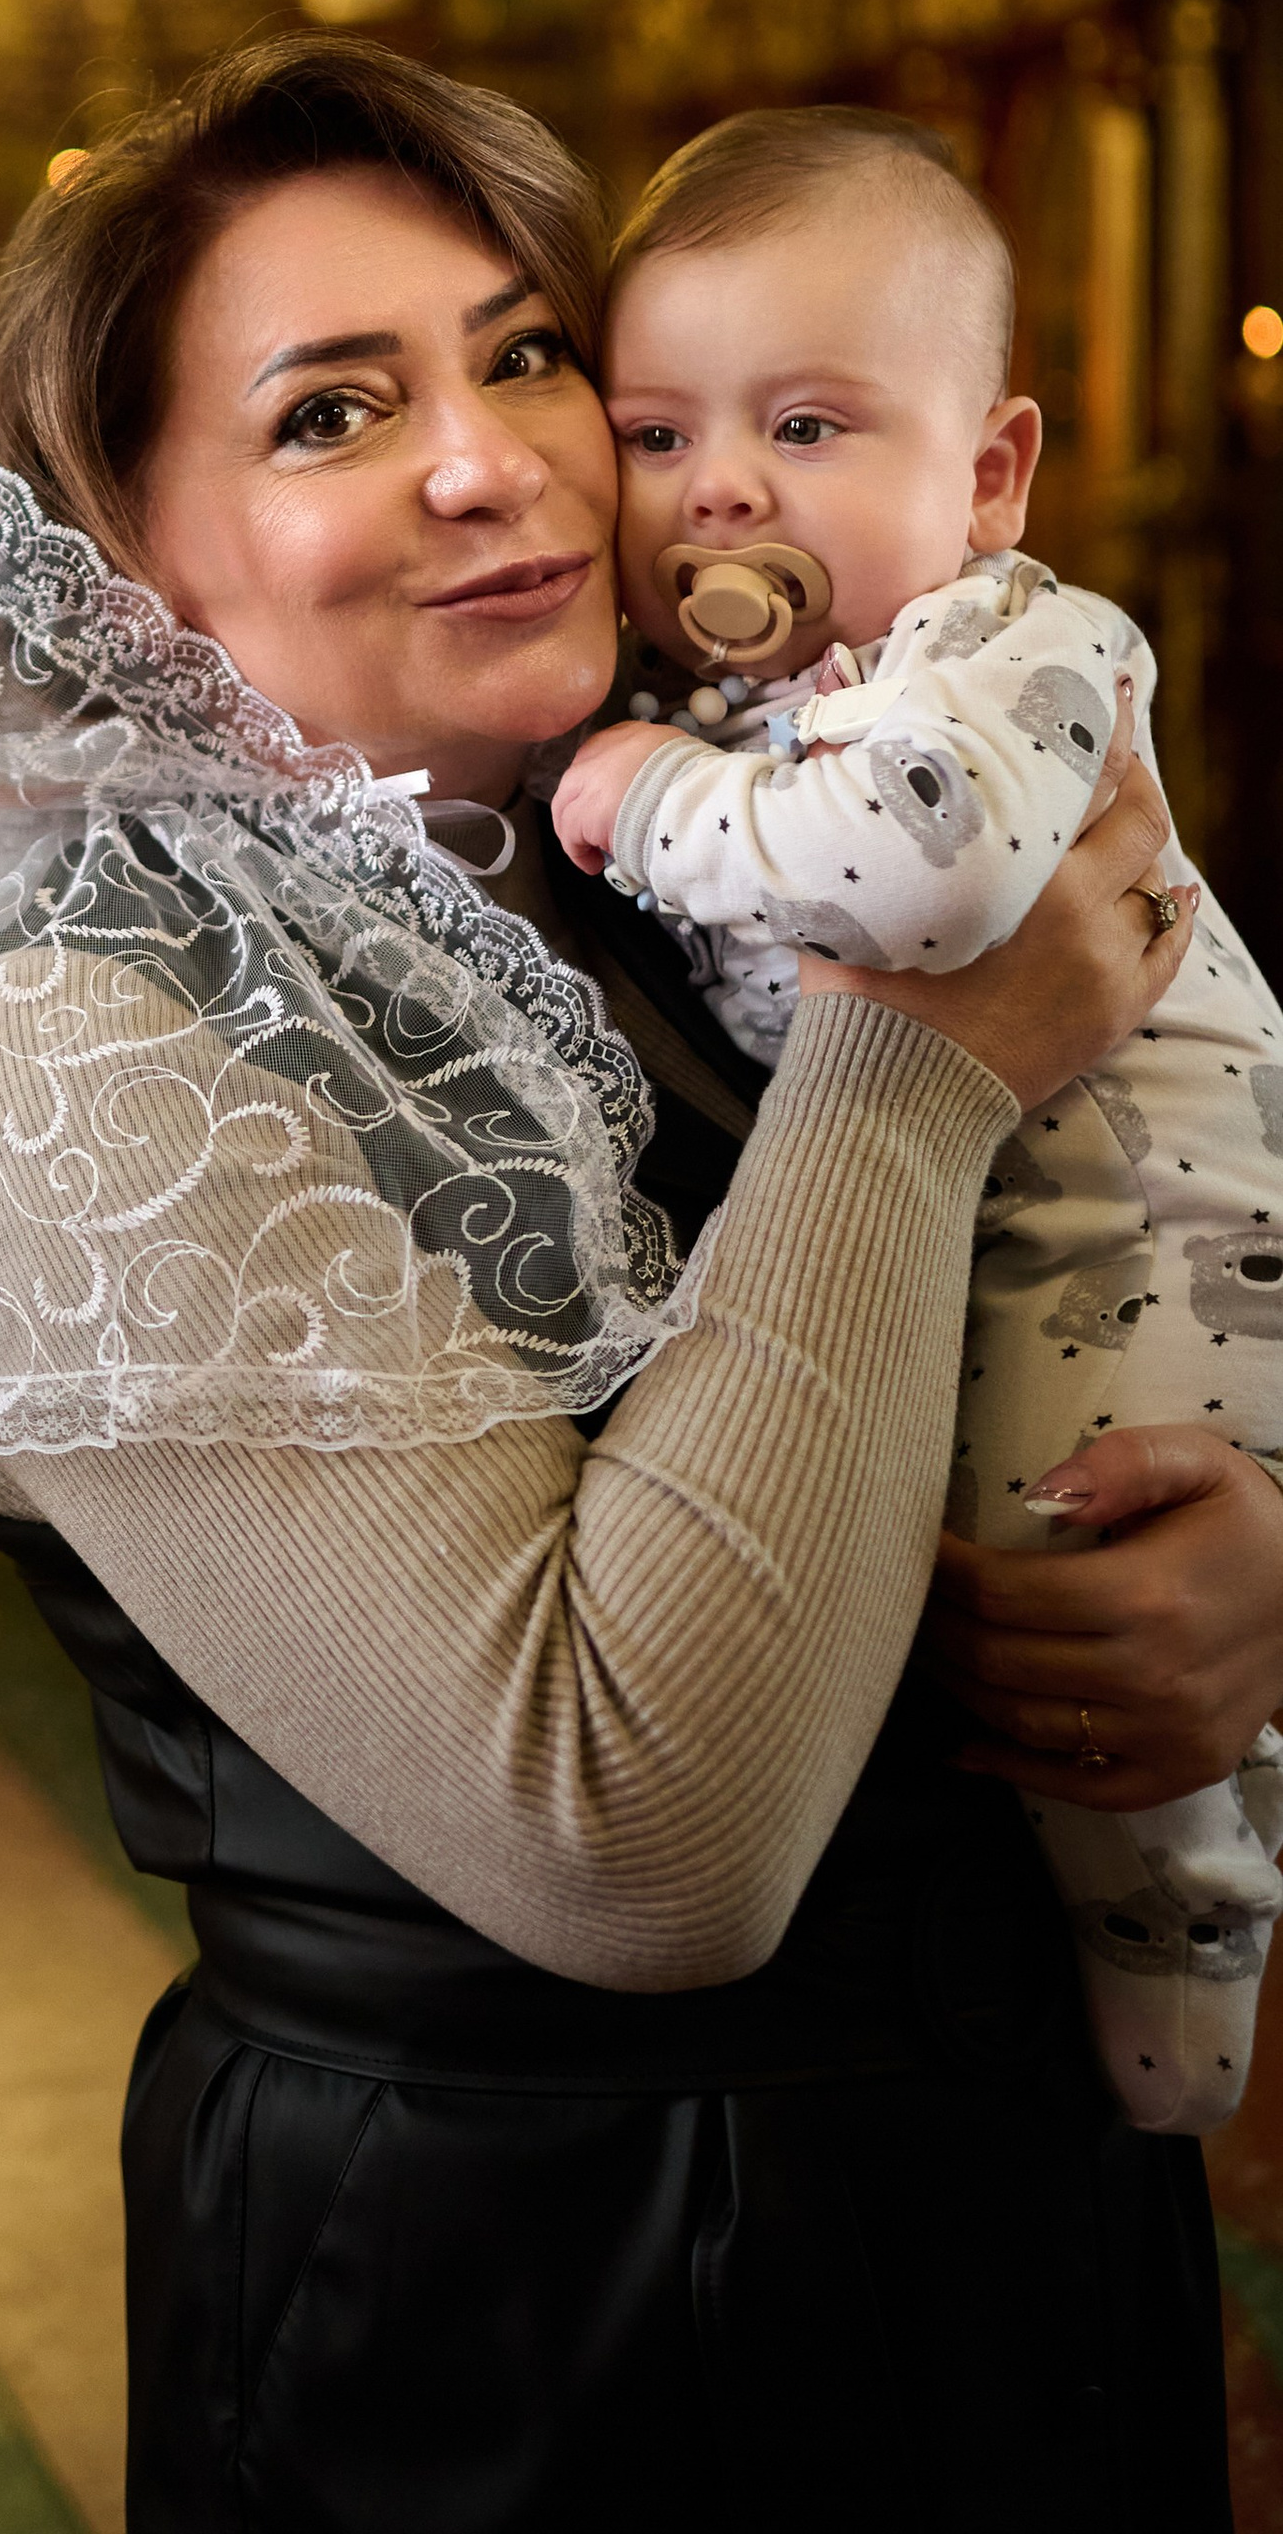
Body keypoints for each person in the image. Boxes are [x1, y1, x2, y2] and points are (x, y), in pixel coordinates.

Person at [0, 34, 1279, 2530]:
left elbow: (1158, 1231)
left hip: (998, 2208)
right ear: (134, 553)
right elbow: (638, 1837)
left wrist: (1247, 1565)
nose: (491, 455)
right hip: (548, 2306)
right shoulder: (75, 1044)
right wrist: (919, 1066)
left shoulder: (676, 831)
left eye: (523, 354)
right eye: (323, 413)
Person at [549, 103, 1283, 2137]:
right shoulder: (725, 694)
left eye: (803, 429)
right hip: (986, 1237)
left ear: (983, 472)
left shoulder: (1016, 648)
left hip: (1139, 1229)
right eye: (654, 433)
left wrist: (644, 804)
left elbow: (926, 879)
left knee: (1100, 1603)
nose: (717, 493)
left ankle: (1183, 2012)